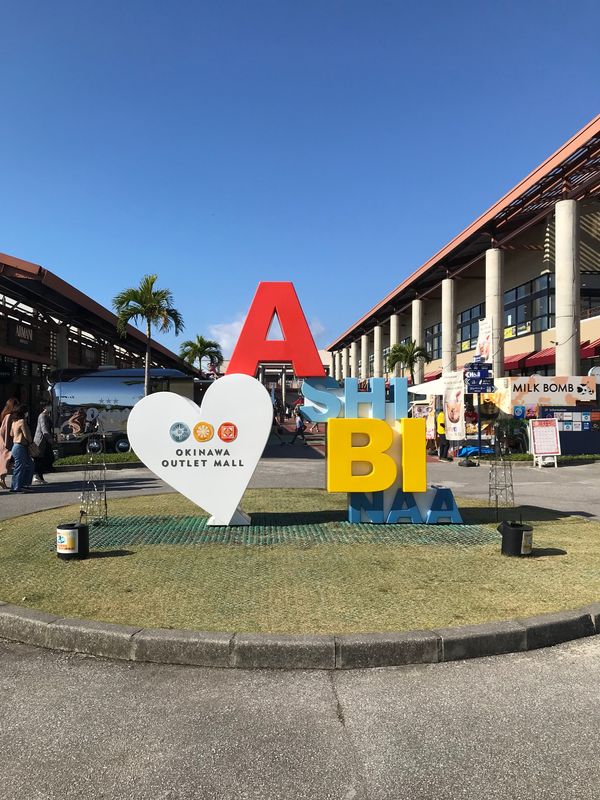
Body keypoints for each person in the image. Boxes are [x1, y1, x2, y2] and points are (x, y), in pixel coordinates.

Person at [10, 406, 34, 493]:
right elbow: (27, 435)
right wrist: (31, 442)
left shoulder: (14, 422)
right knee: (21, 466)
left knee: (27, 465)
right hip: (21, 446)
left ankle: (22, 485)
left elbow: (11, 434)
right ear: (23, 413)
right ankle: (16, 487)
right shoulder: (22, 421)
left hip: (15, 446)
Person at [0, 397, 20, 489]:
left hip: (6, 442)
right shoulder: (8, 416)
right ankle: (2, 480)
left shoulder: (7, 415)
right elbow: (5, 430)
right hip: (6, 443)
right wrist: (7, 443)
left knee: (8, 462)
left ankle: (2, 480)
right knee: (7, 461)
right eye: (16, 405)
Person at [32, 402, 55, 485]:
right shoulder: (42, 416)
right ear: (44, 407)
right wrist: (50, 439)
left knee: (42, 459)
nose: (50, 407)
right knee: (41, 459)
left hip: (45, 441)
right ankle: (38, 476)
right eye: (48, 406)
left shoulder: (47, 416)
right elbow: (44, 429)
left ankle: (39, 476)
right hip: (41, 441)